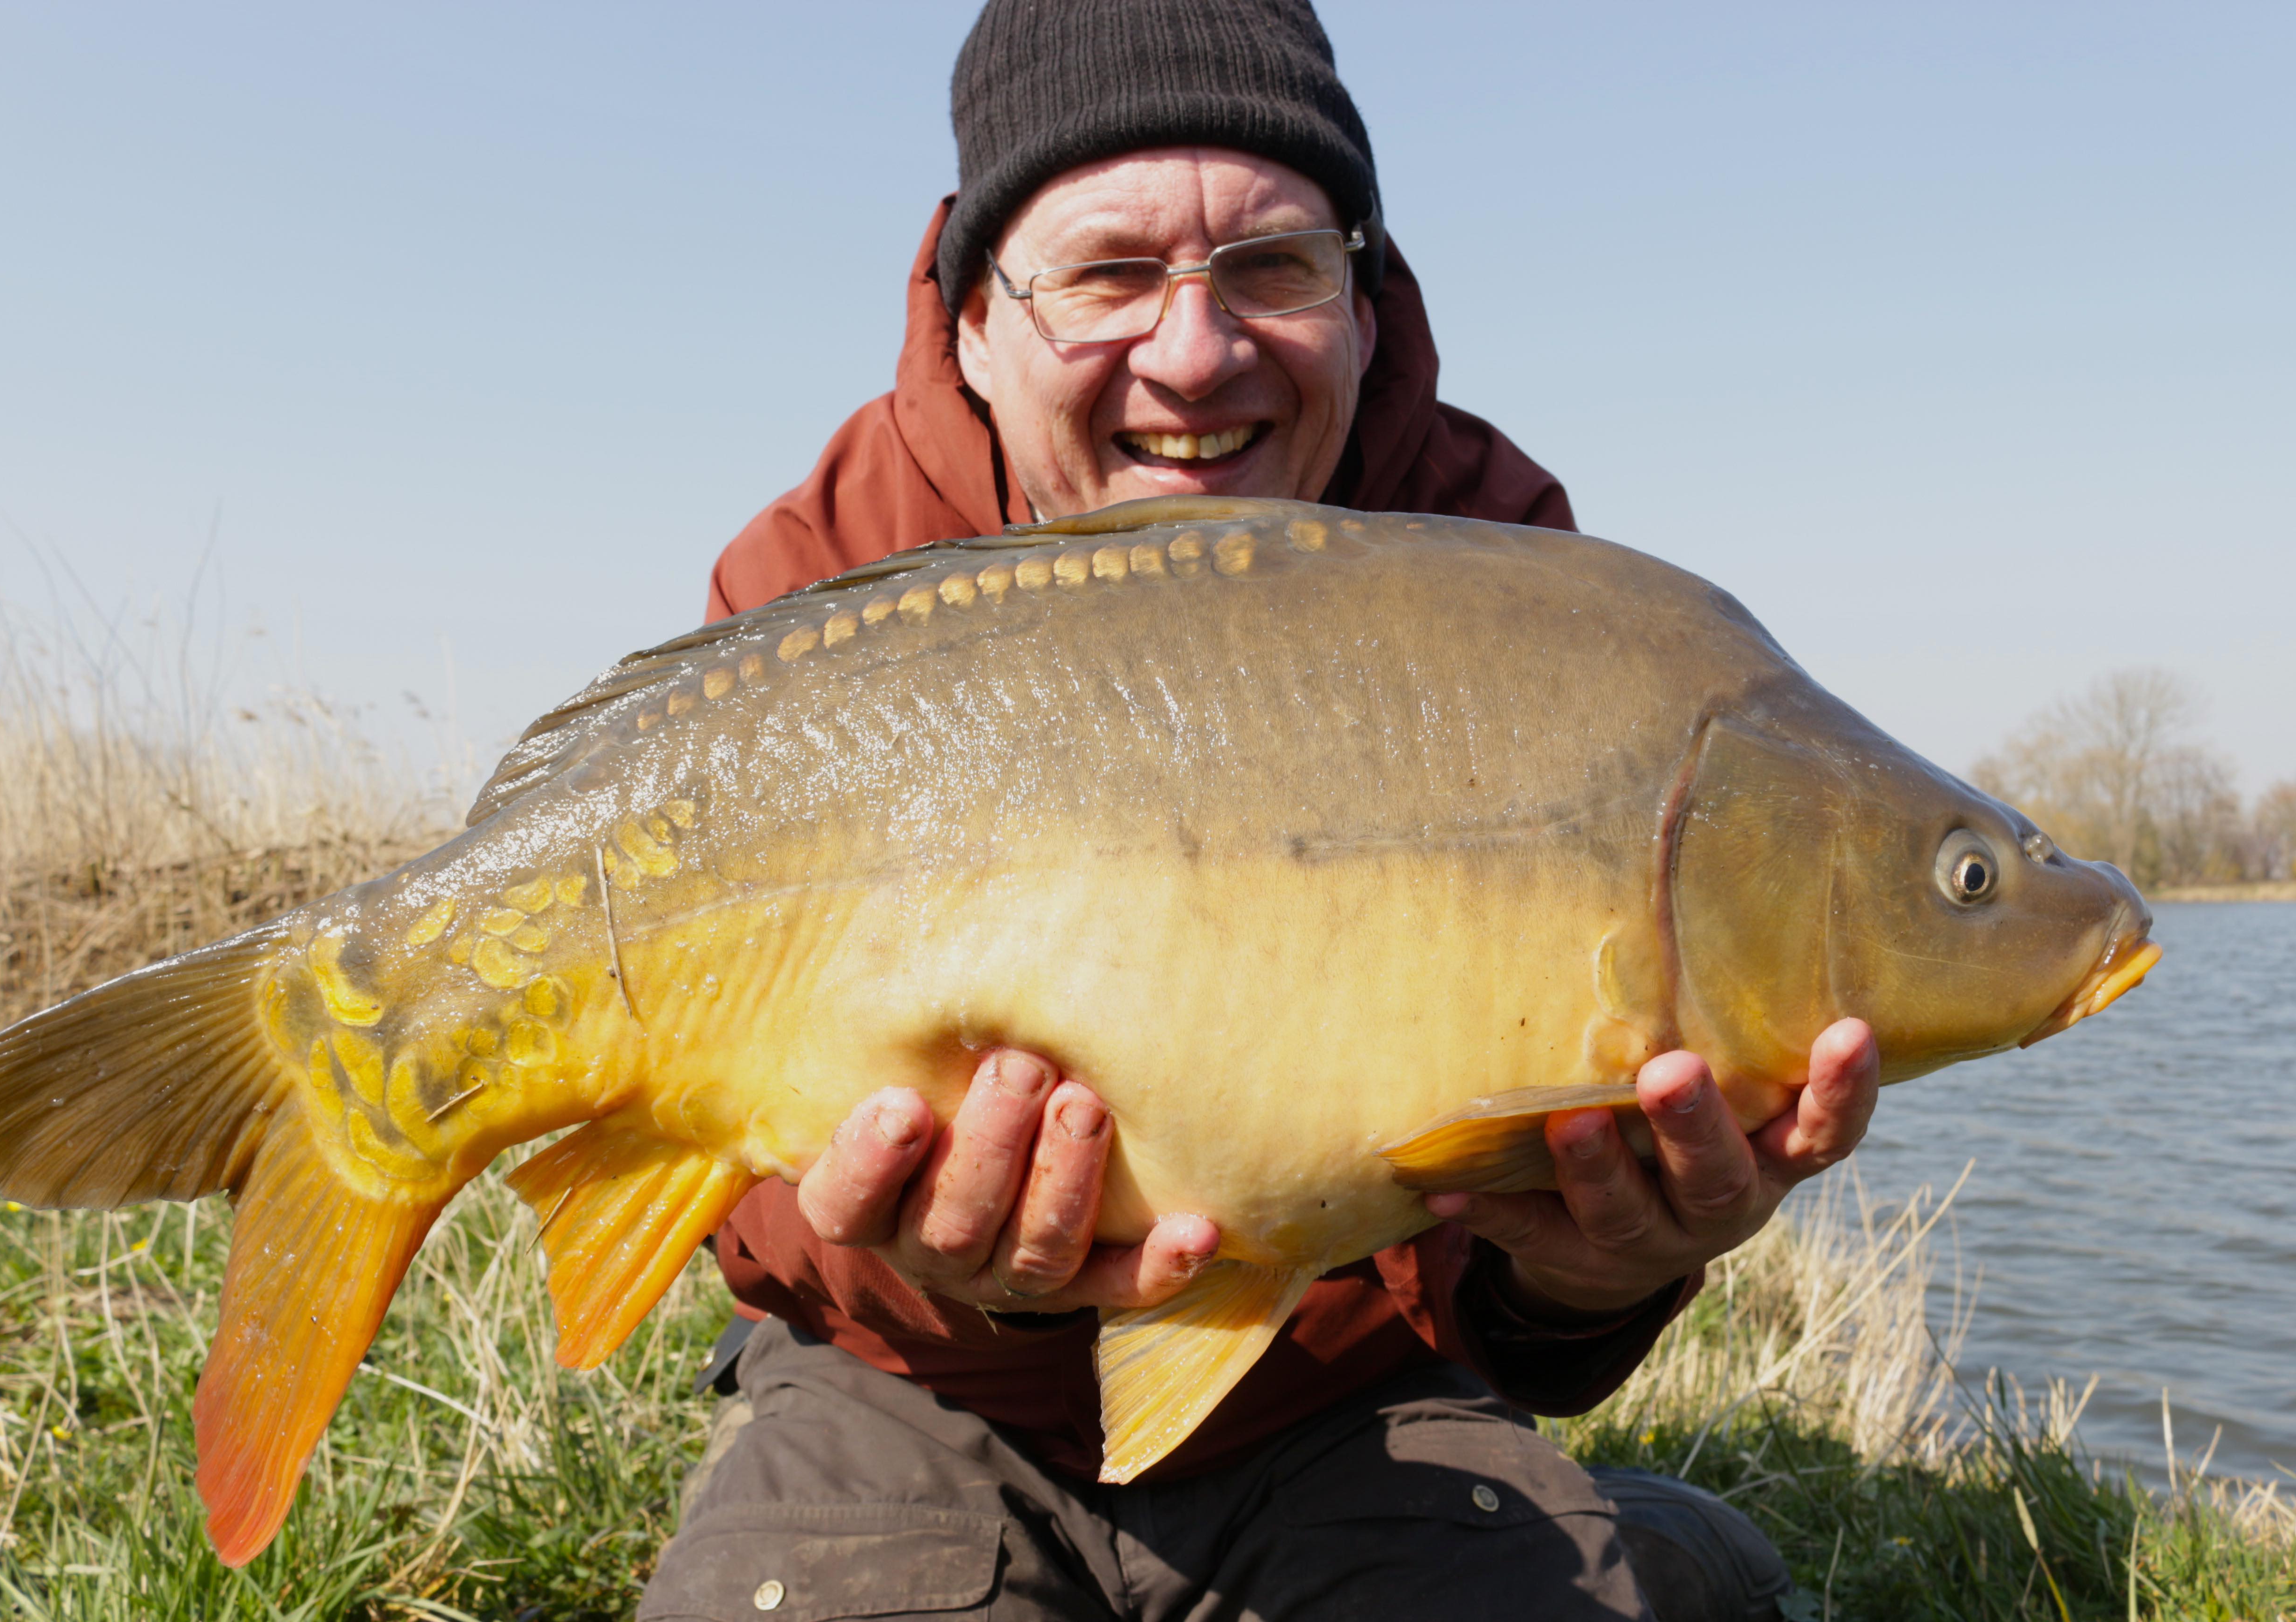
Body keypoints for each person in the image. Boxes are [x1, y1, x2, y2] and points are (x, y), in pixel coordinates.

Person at [643, 5, 1874, 1617]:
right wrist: (943, 1280)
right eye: (1107, 273)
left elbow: (1496, 1242)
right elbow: (734, 1196)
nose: (1196, 351)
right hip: (911, 1393)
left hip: (1345, 1400)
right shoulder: (817, 588)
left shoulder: (1515, 583)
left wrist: (1597, 1275)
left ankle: (1634, 1547)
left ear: (1364, 303)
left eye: (1275, 266)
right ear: (970, 327)